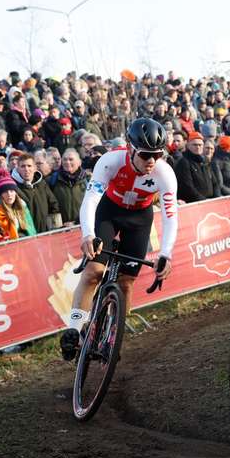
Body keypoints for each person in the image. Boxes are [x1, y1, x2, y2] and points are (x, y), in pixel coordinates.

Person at [60, 117, 177, 361]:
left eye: (158, 154)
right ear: (130, 148)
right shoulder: (110, 161)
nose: (152, 161)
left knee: (126, 283)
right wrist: (88, 235)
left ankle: (114, 337)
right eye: (145, 155)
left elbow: (170, 215)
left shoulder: (164, 172)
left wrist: (166, 253)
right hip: (109, 212)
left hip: (139, 218)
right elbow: (90, 200)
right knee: (93, 271)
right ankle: (74, 328)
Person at [10, 152, 62, 232]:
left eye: (29, 166)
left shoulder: (42, 184)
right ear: (18, 168)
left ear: (35, 168)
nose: (26, 169)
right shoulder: (13, 188)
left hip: (46, 233)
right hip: (26, 236)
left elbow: (53, 205)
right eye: (23, 166)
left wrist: (53, 228)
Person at [0, 169, 36, 239]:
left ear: (16, 193)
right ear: (0, 196)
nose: (9, 194)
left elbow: (31, 230)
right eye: (5, 192)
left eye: (12, 191)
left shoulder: (22, 207)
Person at [48, 148, 88, 225]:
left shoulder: (88, 180)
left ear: (79, 162)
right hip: (62, 227)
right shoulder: (52, 180)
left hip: (83, 225)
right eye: (65, 159)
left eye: (71, 159)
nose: (67, 162)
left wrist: (76, 222)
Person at [174, 131, 216, 202]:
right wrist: (204, 200)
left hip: (209, 201)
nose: (198, 147)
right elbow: (188, 187)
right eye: (195, 145)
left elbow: (214, 182)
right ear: (188, 145)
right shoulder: (184, 162)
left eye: (200, 145)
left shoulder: (204, 161)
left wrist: (216, 197)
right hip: (195, 203)